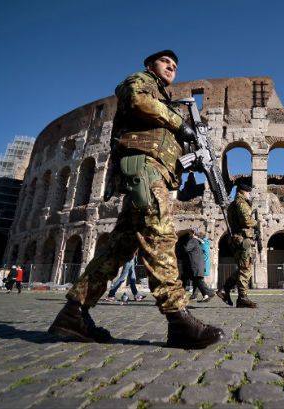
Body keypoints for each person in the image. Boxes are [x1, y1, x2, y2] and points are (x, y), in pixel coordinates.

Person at [48, 49, 224, 348]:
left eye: (175, 65)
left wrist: (190, 155)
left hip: (153, 170)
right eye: (165, 62)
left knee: (118, 248)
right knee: (160, 236)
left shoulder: (162, 101)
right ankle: (177, 318)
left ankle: (73, 313)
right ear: (149, 65)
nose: (171, 66)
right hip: (144, 168)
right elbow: (138, 101)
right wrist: (180, 124)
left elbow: (164, 142)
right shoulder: (140, 83)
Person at [217, 183, 258, 308]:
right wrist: (256, 222)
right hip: (244, 239)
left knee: (242, 268)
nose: (249, 195)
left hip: (238, 239)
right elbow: (246, 220)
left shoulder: (232, 205)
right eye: (248, 193)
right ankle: (242, 298)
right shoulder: (241, 203)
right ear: (243, 192)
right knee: (245, 269)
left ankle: (225, 289)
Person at [183, 230, 215, 303]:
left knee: (198, 280)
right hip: (200, 264)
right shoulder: (200, 242)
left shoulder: (193, 241)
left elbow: (187, 249)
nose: (189, 235)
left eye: (190, 233)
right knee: (197, 280)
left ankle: (209, 293)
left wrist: (181, 246)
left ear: (193, 234)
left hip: (196, 264)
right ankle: (204, 295)